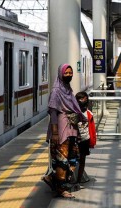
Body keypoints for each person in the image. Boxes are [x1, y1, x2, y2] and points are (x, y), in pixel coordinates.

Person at [42, 63, 86, 198]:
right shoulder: (56, 91)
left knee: (72, 156)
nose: (69, 75)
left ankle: (53, 179)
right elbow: (53, 112)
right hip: (61, 129)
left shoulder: (67, 88)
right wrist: (55, 133)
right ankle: (60, 188)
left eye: (70, 73)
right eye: (66, 73)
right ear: (61, 74)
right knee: (62, 158)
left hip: (70, 128)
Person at [75, 91, 96, 185]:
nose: (83, 100)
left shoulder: (89, 114)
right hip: (75, 140)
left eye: (85, 99)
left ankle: (78, 180)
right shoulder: (73, 112)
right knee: (74, 160)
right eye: (80, 99)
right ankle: (72, 179)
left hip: (85, 139)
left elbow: (92, 129)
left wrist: (92, 141)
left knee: (82, 160)